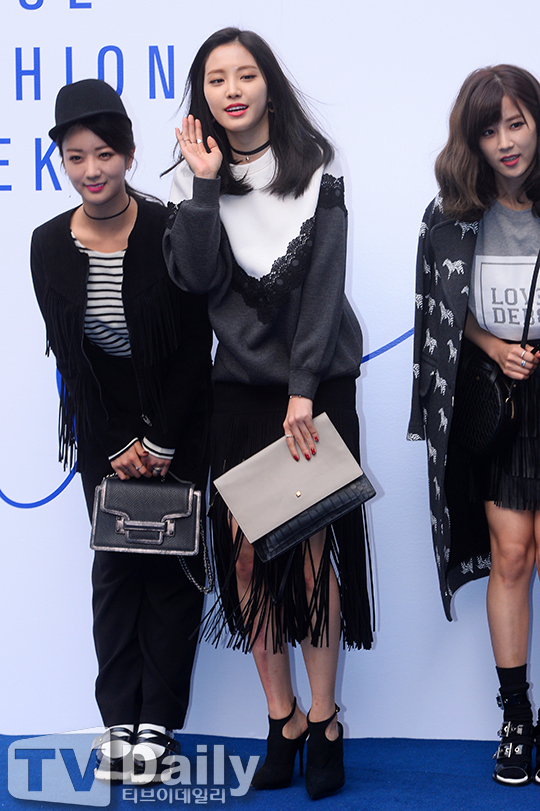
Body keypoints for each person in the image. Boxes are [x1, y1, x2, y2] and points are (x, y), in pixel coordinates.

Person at [163, 27, 373, 800]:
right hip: (241, 391)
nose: (232, 89)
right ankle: (281, 718)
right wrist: (203, 186)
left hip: (315, 386)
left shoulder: (319, 169)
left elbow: (323, 288)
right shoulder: (194, 177)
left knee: (310, 556)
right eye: (216, 78)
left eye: (245, 74)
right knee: (249, 559)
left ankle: (324, 720)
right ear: (202, 95)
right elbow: (194, 279)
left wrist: (303, 388)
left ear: (269, 87)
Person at [31, 79, 213, 783]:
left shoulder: (168, 227)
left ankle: (157, 723)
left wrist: (161, 439)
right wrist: (113, 442)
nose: (92, 170)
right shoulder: (48, 243)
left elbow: (194, 345)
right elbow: (69, 357)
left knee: (170, 571)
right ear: (62, 162)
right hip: (103, 425)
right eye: (76, 157)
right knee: (114, 571)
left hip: (177, 420)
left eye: (105, 154)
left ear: (130, 154)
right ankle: (117, 723)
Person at [409, 65, 540, 786]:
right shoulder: (451, 215)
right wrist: (492, 347)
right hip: (498, 400)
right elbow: (439, 310)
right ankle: (516, 716)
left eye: (517, 123)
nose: (506, 142)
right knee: (512, 554)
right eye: (490, 130)